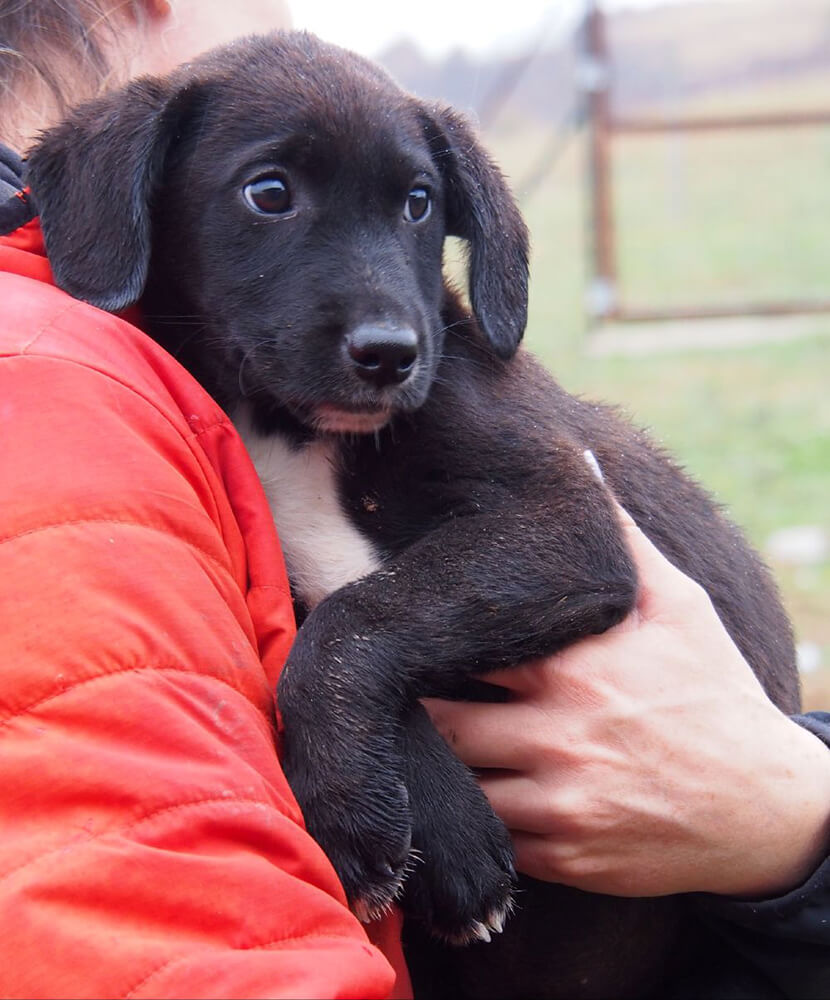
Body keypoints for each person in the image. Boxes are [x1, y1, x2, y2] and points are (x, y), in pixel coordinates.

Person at [0, 2, 828, 997]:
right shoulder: (105, 385)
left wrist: (351, 665)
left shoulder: (461, 402)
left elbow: (576, 552)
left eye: (413, 208)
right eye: (272, 195)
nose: (387, 319)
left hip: (709, 929)